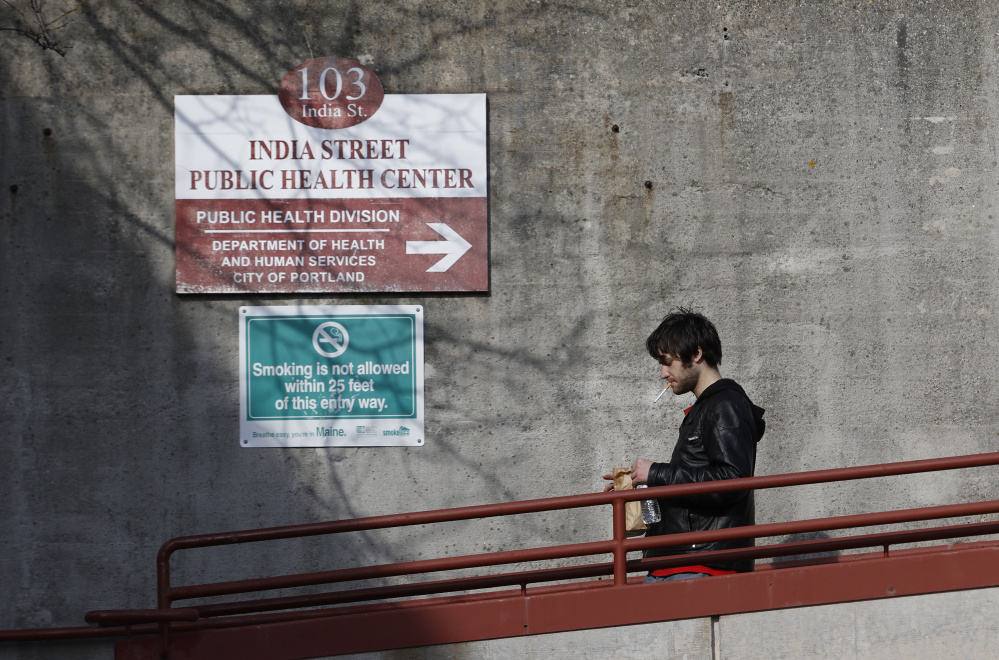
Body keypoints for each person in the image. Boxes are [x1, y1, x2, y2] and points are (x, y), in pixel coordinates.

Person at [605, 308, 765, 582]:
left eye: (667, 362)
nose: (663, 373)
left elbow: (732, 480)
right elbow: (699, 480)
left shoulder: (725, 405)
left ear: (696, 354)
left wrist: (656, 472)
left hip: (701, 564)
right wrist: (643, 483)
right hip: (680, 560)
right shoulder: (708, 407)